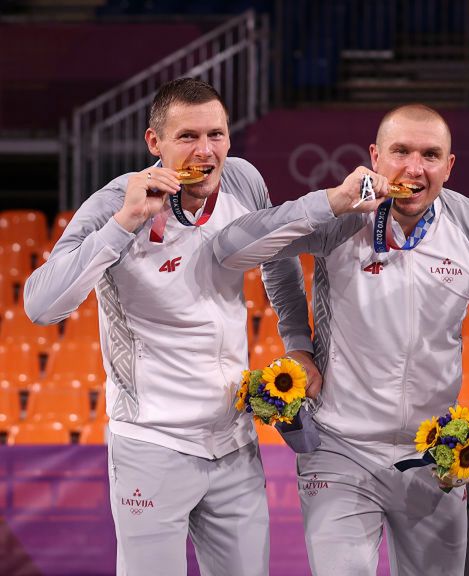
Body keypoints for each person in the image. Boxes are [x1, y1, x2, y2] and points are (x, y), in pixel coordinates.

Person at [23, 77, 316, 576]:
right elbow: (40, 304)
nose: (206, 151)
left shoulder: (243, 180)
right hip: (151, 443)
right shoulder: (113, 202)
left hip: (233, 442)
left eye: (217, 135)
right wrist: (123, 223)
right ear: (154, 143)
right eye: (188, 137)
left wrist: (298, 343)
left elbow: (278, 258)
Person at [212, 103, 469, 575]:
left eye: (430, 155)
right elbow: (233, 246)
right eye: (400, 152)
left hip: (433, 457)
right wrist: (329, 203)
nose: (414, 168)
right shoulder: (342, 217)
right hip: (340, 450)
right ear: (375, 157)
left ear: (450, 165)